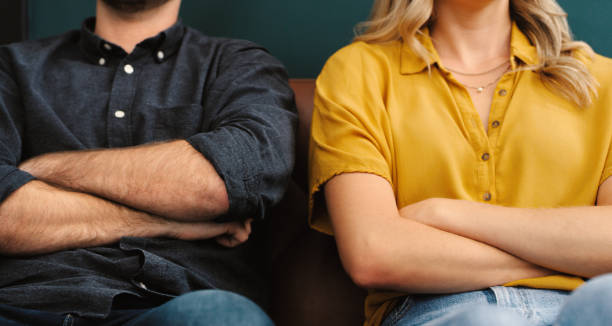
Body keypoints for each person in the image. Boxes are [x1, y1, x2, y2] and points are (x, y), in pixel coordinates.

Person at [309, 0, 612, 325]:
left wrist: (445, 212)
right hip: (437, 310)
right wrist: (570, 257)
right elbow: (374, 254)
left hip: (579, 306)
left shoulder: (602, 80)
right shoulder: (358, 72)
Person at [0, 0, 296, 325]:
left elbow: (226, 182)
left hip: (177, 306)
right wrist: (174, 223)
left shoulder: (240, 65)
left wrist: (46, 168)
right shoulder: (11, 67)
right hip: (21, 303)